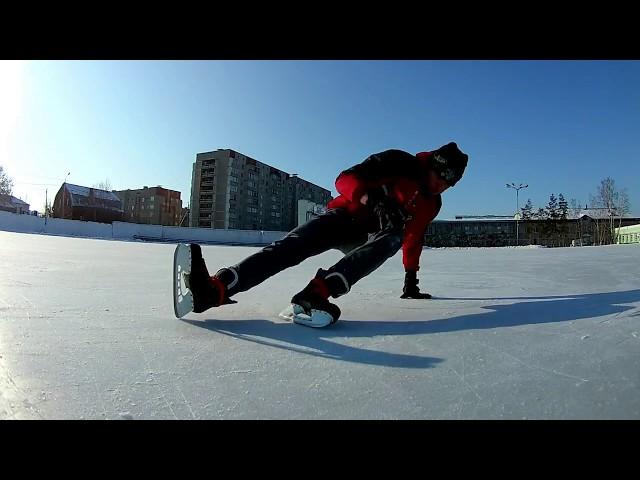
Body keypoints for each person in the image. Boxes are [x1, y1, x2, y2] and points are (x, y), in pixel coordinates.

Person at [186, 142, 468, 327]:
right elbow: (344, 179)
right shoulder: (399, 162)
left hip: (369, 239)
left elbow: (413, 238)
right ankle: (215, 289)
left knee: (394, 236)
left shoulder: (432, 204)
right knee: (291, 247)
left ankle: (316, 293)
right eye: (441, 177)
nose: (443, 186)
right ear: (433, 165)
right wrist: (372, 199)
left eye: (451, 184)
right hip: (344, 216)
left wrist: (411, 279)